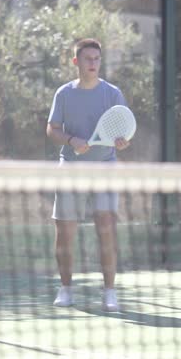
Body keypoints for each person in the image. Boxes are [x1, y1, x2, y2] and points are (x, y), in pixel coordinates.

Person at [45, 38, 130, 312]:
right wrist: (70, 140)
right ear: (76, 62)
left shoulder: (113, 94)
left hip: (105, 168)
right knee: (65, 231)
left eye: (97, 59)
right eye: (87, 59)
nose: (93, 63)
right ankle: (66, 289)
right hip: (70, 169)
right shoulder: (64, 94)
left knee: (106, 228)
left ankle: (109, 292)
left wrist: (121, 142)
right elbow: (52, 129)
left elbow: (122, 133)